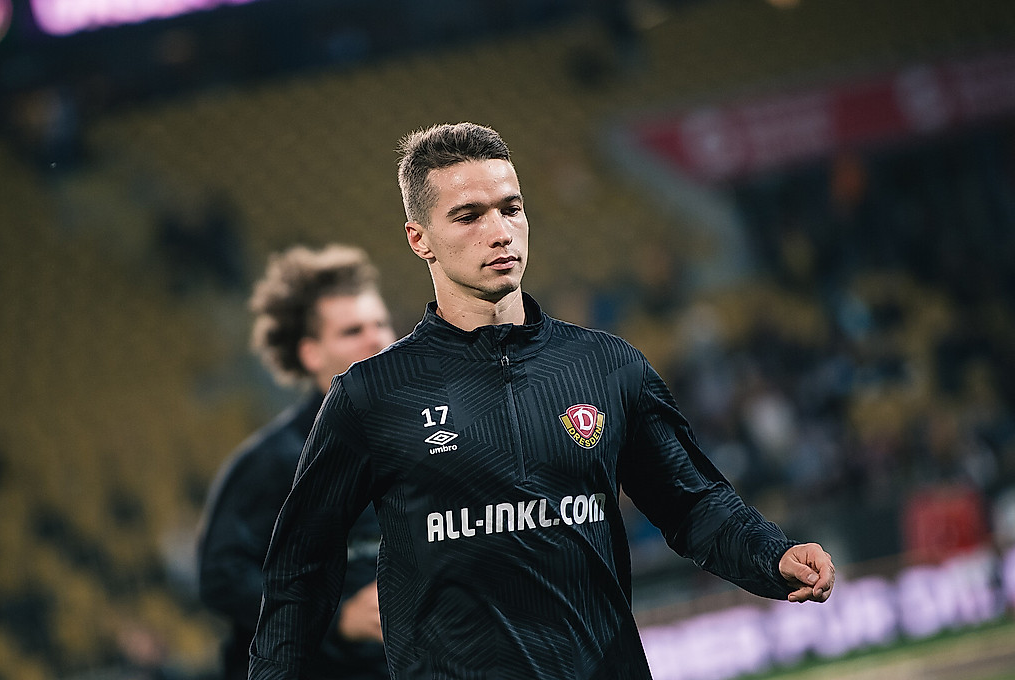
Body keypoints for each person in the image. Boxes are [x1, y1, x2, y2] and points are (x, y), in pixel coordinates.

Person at [247, 123, 835, 680]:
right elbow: (302, 570)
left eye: (511, 208)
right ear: (419, 238)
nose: (500, 231)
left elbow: (692, 504)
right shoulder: (371, 395)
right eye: (469, 216)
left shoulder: (608, 366)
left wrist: (772, 556)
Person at [198, 244, 396, 680]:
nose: (377, 340)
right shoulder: (276, 461)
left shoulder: (422, 443)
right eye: (352, 331)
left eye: (381, 324)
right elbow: (222, 577)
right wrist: (335, 618)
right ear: (311, 354)